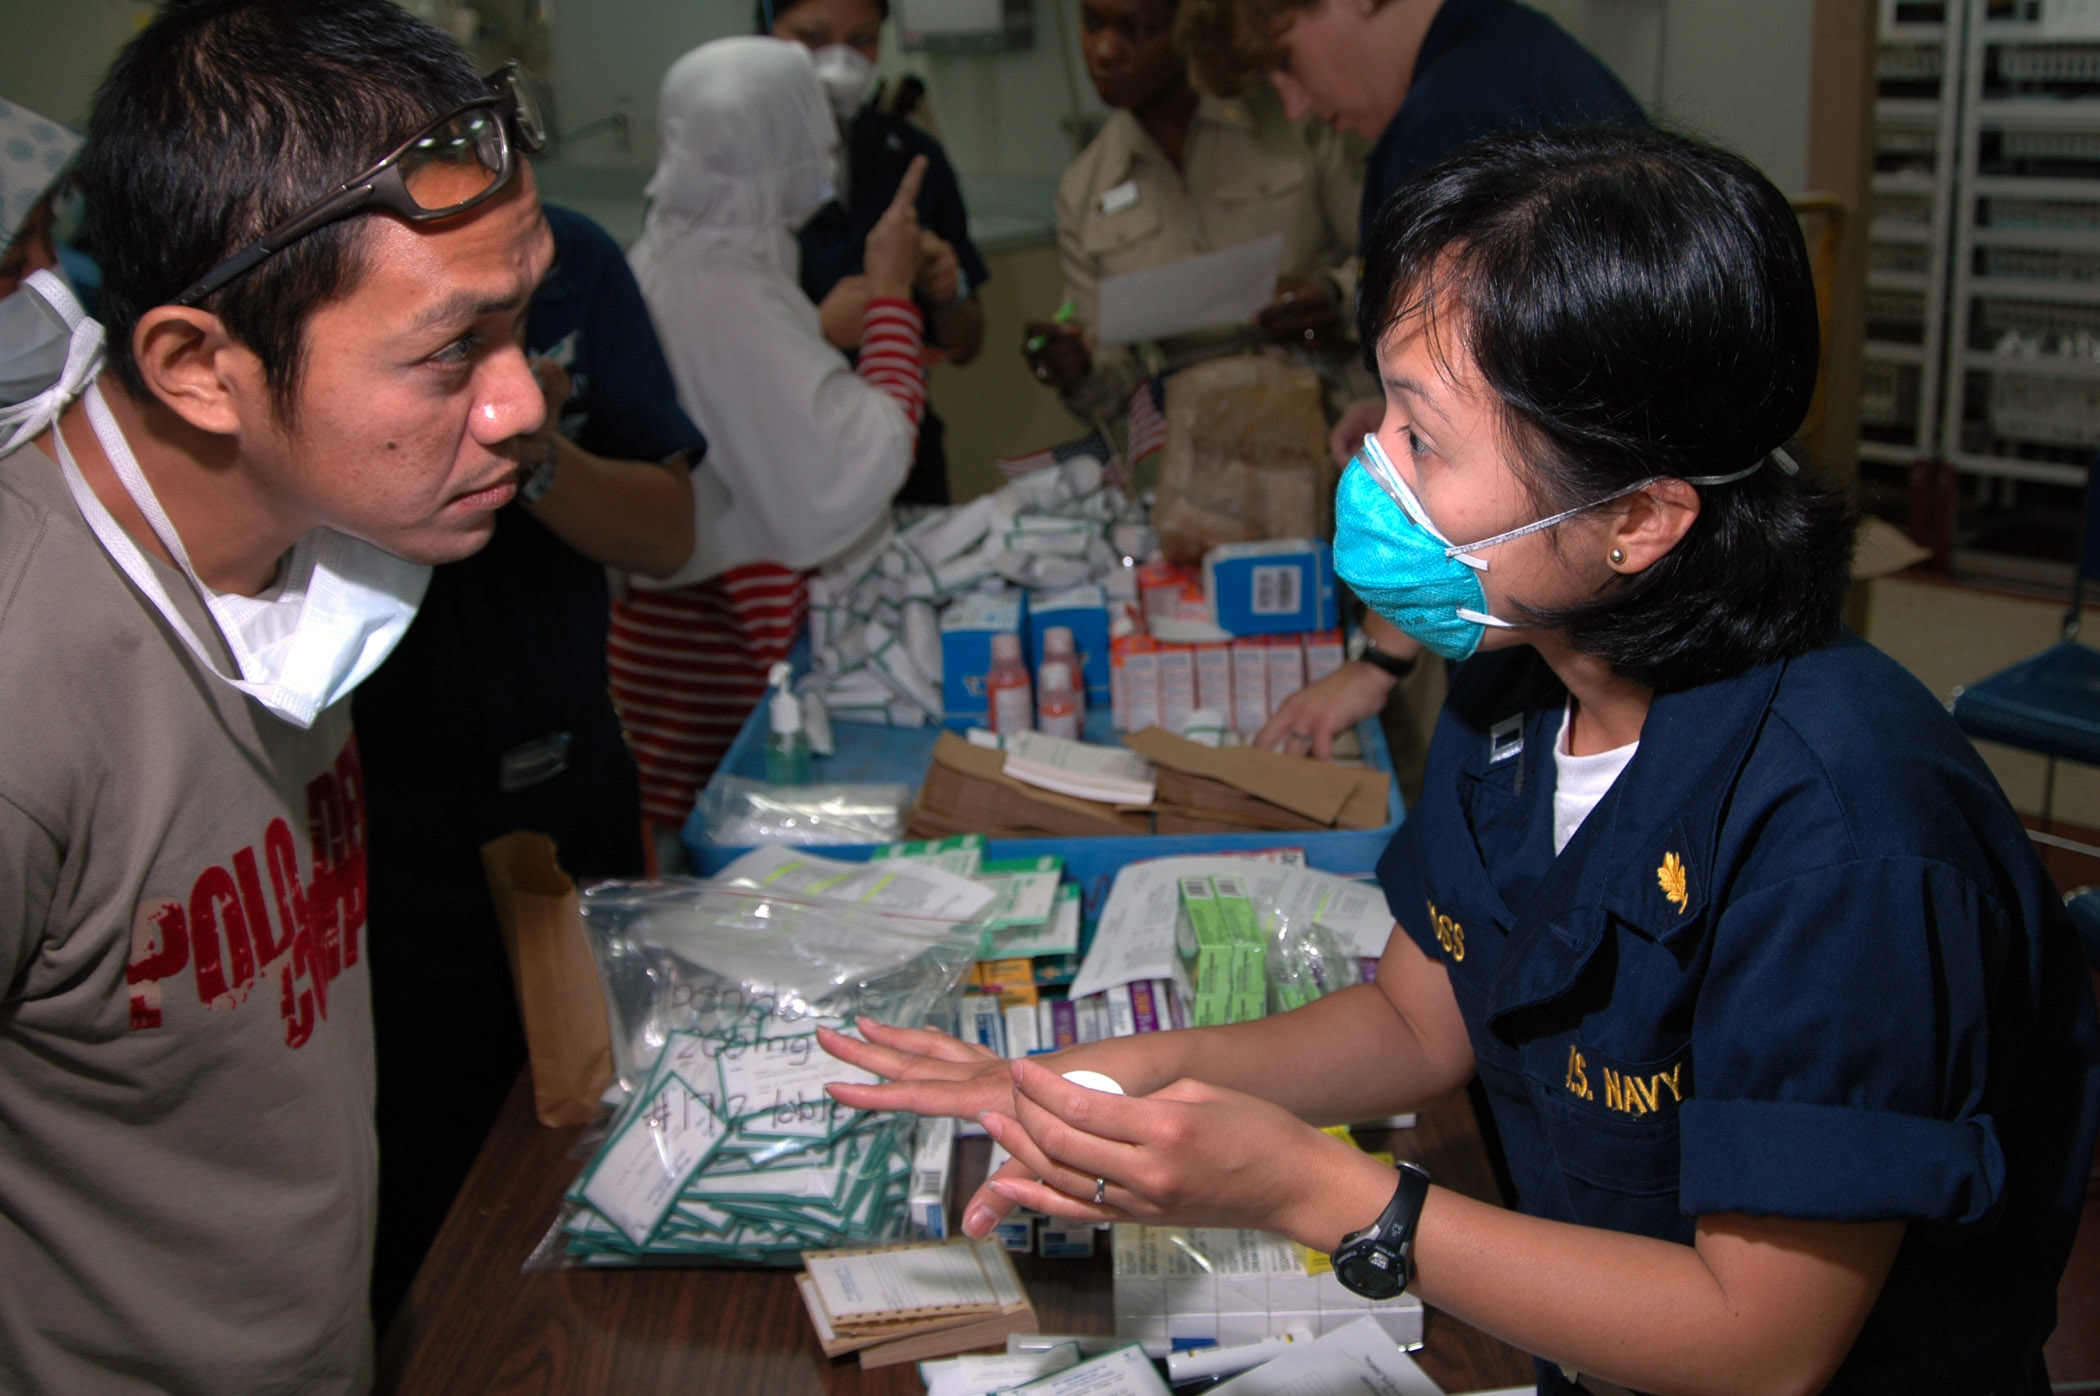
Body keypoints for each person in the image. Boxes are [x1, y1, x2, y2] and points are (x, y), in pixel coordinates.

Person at [822, 126, 2100, 1395]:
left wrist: (1319, 1189)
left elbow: (1759, 1340)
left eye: (1425, 442)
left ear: (1638, 518)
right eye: (1383, 409)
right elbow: (1410, 1017)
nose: (1368, 463)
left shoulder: (1845, 832)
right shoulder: (1521, 685)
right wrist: (1101, 1084)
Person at [0, 0, 553, 1388]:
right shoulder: (29, 686)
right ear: (198, 368)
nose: (522, 405)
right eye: (450, 354)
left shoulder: (314, 550)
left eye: (524, 325)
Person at [353, 201, 702, 1333]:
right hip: (389, 823)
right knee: (431, 1182)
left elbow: (663, 531)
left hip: (572, 790)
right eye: (455, 347)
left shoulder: (573, 263)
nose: (492, 385)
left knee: (614, 1140)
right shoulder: (340, 278)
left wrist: (537, 453)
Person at [1171, 0, 1646, 757]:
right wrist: (1413, 415)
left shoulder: (1455, 122)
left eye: (1286, 62)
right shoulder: (1515, 53)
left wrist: (1383, 655)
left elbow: (1518, 432)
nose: (1296, 105)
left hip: (1573, 638)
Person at [610, 36, 928, 851]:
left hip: (664, 643)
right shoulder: (731, 290)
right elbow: (867, 449)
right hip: (721, 649)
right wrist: (892, 295)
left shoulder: (664, 259)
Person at [1023, 0, 1363, 428]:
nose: (1104, 50)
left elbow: (1402, 263)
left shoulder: (1296, 117)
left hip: (1340, 419)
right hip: (1205, 453)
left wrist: (1333, 297)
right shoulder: (1085, 188)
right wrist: (1077, 369)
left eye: (1138, 28)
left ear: (1189, 26)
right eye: (1093, 24)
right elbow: (1108, 390)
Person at [767, 0, 987, 505]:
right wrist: (818, 334)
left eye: (863, 40)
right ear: (765, 29)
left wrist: (946, 291)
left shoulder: (909, 156)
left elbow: (968, 341)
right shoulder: (738, 170)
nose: (839, 63)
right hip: (785, 459)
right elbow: (705, 363)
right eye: (813, 39)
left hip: (904, 451)